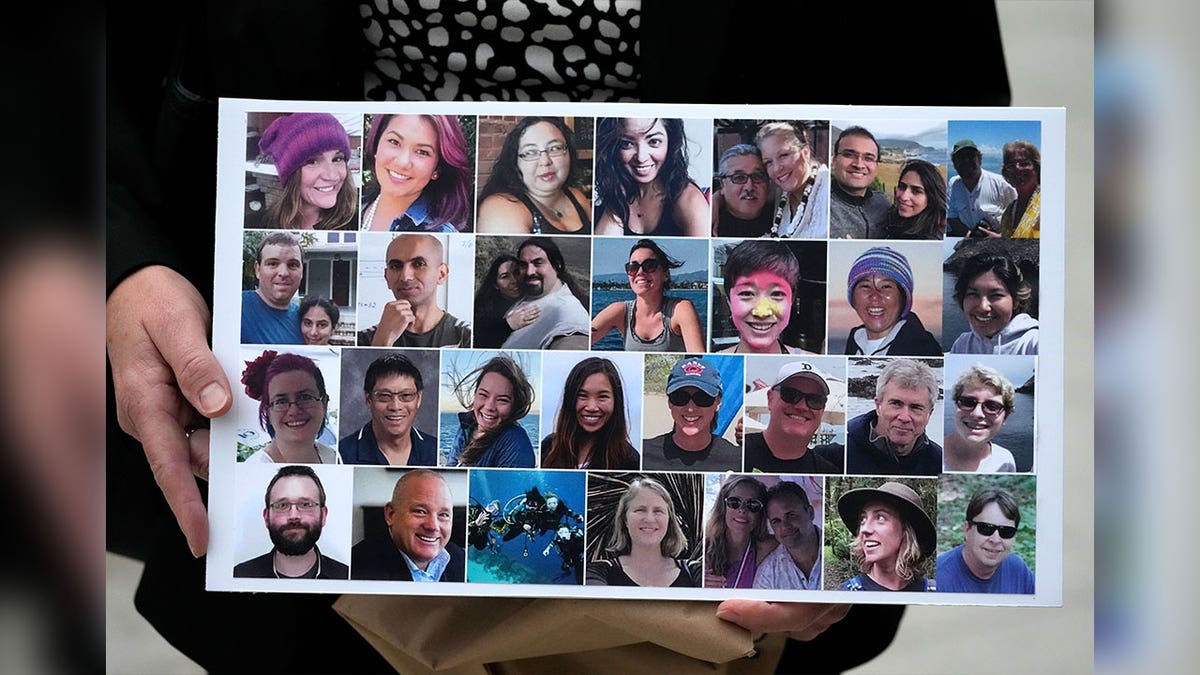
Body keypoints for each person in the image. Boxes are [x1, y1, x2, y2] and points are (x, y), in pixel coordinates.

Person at [108, 3, 1019, 669]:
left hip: (714, 628)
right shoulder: (449, 362)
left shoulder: (679, 410)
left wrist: (828, 549)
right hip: (311, 597)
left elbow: (938, 81)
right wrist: (121, 263)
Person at [594, 117, 708, 237]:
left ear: (671, 142)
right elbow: (604, 253)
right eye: (627, 143)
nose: (641, 157)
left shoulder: (691, 201)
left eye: (654, 141)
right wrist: (616, 204)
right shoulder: (613, 193)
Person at [477, 116, 592, 235]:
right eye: (530, 152)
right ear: (515, 162)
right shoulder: (500, 208)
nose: (545, 161)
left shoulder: (577, 196)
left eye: (554, 148)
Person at [360, 114, 472, 233]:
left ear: (437, 169)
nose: (403, 162)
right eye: (394, 142)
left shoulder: (443, 233)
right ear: (377, 144)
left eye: (422, 152)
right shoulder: (352, 209)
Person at [357, 233, 472, 347]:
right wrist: (381, 342)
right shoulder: (362, 340)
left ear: (441, 274)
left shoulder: (467, 337)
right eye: (395, 266)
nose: (405, 277)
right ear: (386, 277)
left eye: (419, 264)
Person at [234, 465, 348, 579]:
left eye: (306, 504)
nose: (294, 516)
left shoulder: (346, 576)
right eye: (282, 505)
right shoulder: (239, 575)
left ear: (323, 515)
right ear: (266, 517)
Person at [590, 239, 704, 352]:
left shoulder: (681, 309)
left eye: (649, 266)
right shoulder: (620, 311)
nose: (640, 272)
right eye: (633, 267)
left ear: (666, 274)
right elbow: (583, 337)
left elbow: (697, 358)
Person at [350, 470, 465, 582]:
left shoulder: (461, 559)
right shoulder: (355, 570)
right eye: (420, 511)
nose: (433, 526)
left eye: (443, 515)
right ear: (391, 514)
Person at [586, 477, 701, 587]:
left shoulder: (694, 570)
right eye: (640, 510)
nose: (649, 519)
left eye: (658, 511)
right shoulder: (599, 571)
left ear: (669, 520)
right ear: (625, 519)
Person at [255, 112, 356, 230]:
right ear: (290, 173)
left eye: (337, 159)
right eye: (312, 162)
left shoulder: (357, 223)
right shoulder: (257, 223)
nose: (332, 176)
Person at [240, 350, 341, 465]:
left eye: (305, 397)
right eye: (281, 401)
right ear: (268, 412)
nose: (294, 411)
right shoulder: (254, 468)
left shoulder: (333, 458)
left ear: (324, 404)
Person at [643, 357, 742, 472]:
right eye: (680, 397)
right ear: (670, 402)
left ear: (718, 403)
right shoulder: (644, 454)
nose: (690, 408)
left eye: (702, 398)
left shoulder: (737, 460)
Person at [845, 359, 942, 476]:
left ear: (929, 414)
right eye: (896, 403)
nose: (905, 417)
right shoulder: (842, 453)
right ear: (878, 405)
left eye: (916, 407)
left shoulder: (939, 462)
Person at [717, 240, 815, 355]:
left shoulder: (815, 364)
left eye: (776, 294)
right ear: (729, 301)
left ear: (791, 301)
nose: (762, 312)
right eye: (747, 294)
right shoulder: (711, 364)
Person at [541, 357, 640, 470]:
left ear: (616, 401)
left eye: (602, 397)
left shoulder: (629, 460)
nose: (592, 407)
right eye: (582, 395)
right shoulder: (549, 447)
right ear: (570, 399)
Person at [744, 361, 843, 474]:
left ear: (822, 409)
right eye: (790, 394)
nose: (802, 407)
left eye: (815, 400)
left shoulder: (827, 471)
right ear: (770, 398)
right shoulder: (739, 454)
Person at [339, 353, 437, 466]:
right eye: (385, 396)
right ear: (369, 399)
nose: (395, 407)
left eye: (406, 395)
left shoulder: (434, 450)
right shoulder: (342, 455)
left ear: (418, 399)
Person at [836, 481, 935, 592]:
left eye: (880, 518)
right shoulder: (847, 594)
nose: (864, 529)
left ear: (906, 530)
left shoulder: (933, 592)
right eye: (863, 519)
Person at [843, 246, 942, 356]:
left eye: (886, 286)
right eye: (865, 286)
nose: (875, 296)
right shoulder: (854, 343)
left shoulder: (925, 351)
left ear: (903, 298)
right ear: (853, 299)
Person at [936, 486, 1035, 593]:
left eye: (1006, 531)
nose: (995, 540)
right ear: (967, 529)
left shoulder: (1019, 572)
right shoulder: (939, 579)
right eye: (986, 528)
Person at [500, 237, 591, 350]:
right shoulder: (521, 293)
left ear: (557, 265)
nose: (529, 272)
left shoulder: (568, 310)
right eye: (524, 265)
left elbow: (575, 342)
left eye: (538, 263)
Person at [447, 355, 536, 468]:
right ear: (475, 394)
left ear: (514, 406)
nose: (489, 406)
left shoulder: (516, 443)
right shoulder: (465, 427)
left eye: (502, 400)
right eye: (483, 394)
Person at [950, 252, 1039, 354]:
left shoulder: (1034, 343)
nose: (983, 307)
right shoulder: (963, 344)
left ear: (1016, 300)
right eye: (973, 294)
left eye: (996, 295)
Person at [755, 122, 830, 239]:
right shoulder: (779, 193)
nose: (776, 168)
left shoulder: (829, 190)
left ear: (805, 152)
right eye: (768, 162)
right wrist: (717, 199)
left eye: (784, 155)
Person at [703, 476, 776, 588]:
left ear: (761, 514)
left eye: (753, 505)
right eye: (734, 502)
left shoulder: (769, 547)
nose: (742, 510)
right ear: (723, 507)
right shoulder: (704, 546)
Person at [943, 365, 1019, 472]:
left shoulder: (1005, 460)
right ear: (956, 406)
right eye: (968, 402)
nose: (977, 414)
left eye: (992, 406)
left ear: (1005, 418)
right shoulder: (932, 455)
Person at [754, 481, 823, 590]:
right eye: (776, 521)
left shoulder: (837, 551)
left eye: (791, 515)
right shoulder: (768, 574)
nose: (785, 526)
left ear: (810, 513)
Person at [242, 231, 305, 344]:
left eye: (292, 265)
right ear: (257, 270)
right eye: (273, 264)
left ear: (302, 271)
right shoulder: (235, 307)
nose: (283, 273)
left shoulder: (305, 320)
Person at [945, 139, 1016, 237]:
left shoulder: (1001, 184)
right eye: (961, 157)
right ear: (954, 163)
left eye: (970, 156)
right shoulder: (953, 184)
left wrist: (1000, 238)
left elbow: (1018, 219)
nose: (966, 161)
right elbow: (952, 216)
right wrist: (970, 235)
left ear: (979, 159)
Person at [828, 126, 890, 239]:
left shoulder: (884, 204)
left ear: (876, 167)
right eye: (849, 155)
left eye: (868, 158)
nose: (859, 164)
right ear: (834, 161)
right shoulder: (821, 206)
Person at [472, 254, 538, 348]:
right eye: (505, 276)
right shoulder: (483, 313)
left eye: (516, 272)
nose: (514, 280)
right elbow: (480, 344)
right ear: (495, 285)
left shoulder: (536, 295)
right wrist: (508, 325)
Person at [711, 144, 772, 238]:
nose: (749, 187)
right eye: (739, 178)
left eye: (758, 176)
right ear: (722, 185)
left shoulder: (783, 217)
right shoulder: (709, 225)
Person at [882, 159, 946, 240]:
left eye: (916, 191)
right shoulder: (890, 219)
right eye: (902, 187)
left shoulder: (931, 240)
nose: (904, 197)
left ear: (931, 198)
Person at [998, 140, 1041, 238]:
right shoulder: (1008, 213)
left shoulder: (1048, 203)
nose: (1017, 168)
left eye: (1024, 164)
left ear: (1036, 168)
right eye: (1011, 165)